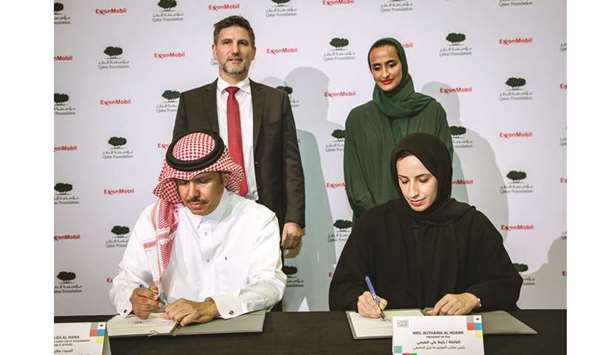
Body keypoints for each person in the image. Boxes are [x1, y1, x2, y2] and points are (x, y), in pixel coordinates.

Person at [329, 133, 522, 317]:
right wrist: (359, 300)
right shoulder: (375, 223)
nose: (412, 192)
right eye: (403, 181)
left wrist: (471, 298)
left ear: (442, 175)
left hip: (453, 343)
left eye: (423, 180)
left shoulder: (470, 223)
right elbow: (341, 289)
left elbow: (507, 283)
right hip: (390, 341)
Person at [109, 131, 286, 325]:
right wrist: (132, 298)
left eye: (202, 181)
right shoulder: (156, 218)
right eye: (183, 183)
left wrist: (213, 306)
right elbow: (124, 280)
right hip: (174, 330)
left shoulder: (258, 218)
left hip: (238, 328)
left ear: (223, 178)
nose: (192, 193)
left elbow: (269, 285)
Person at [172, 15, 305, 255]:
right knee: (209, 290)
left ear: (253, 51)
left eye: (243, 43)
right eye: (227, 43)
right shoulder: (191, 102)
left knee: (265, 290)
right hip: (208, 218)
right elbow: (178, 168)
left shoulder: (276, 101)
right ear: (214, 50)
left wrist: (294, 218)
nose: (235, 50)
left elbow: (291, 163)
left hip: (263, 214)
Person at [344, 38, 453, 221]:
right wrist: (379, 221)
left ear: (403, 64)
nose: (385, 73)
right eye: (377, 68)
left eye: (391, 64)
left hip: (426, 222)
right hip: (375, 226)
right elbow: (355, 181)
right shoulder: (358, 118)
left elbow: (443, 168)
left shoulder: (431, 111)